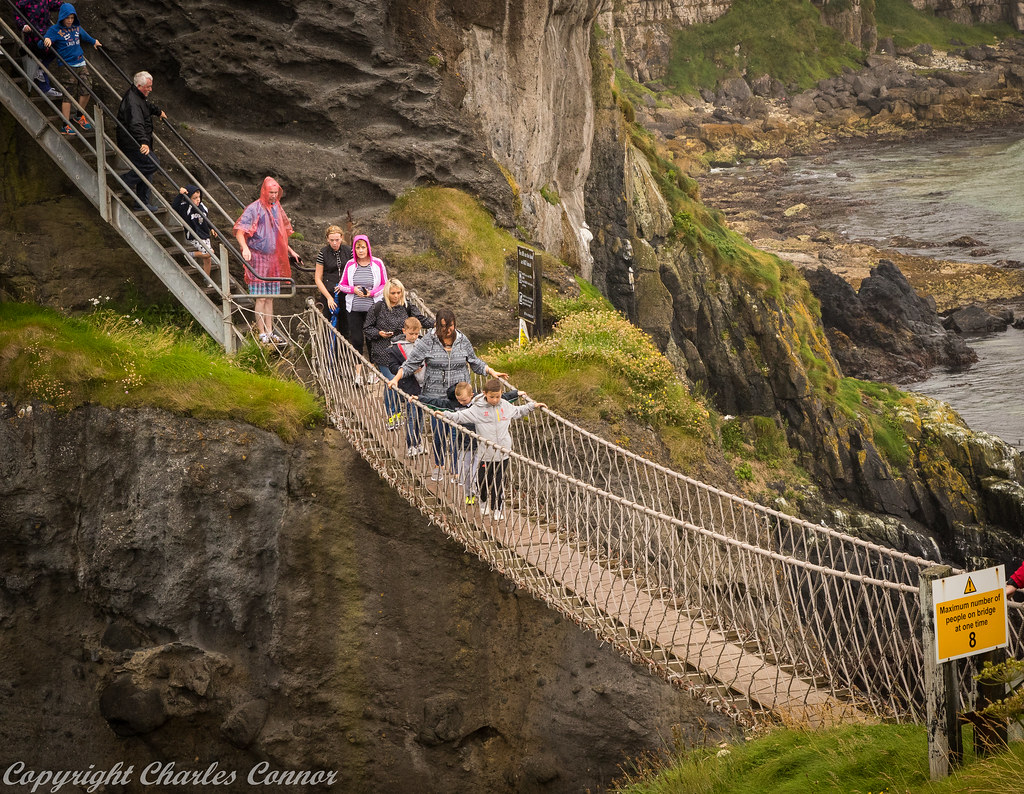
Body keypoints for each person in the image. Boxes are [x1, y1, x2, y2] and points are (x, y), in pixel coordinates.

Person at [387, 308, 507, 482]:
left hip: (460, 395)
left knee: (458, 433)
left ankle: (457, 471)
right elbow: (410, 364)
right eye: (442, 327)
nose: (446, 331)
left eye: (449, 326)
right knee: (439, 433)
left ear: (454, 324)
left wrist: (491, 371)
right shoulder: (428, 341)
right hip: (436, 396)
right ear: (436, 325)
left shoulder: (462, 340)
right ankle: (439, 465)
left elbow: (474, 361)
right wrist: (396, 379)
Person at [449, 378, 544, 520]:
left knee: (499, 482)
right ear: (484, 394)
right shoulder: (477, 409)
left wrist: (532, 405)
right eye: (492, 397)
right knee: (482, 480)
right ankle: (483, 501)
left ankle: (497, 508)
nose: (495, 400)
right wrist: (444, 415)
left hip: (503, 452)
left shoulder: (505, 405)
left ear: (501, 394)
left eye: (498, 396)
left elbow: (518, 411)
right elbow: (460, 416)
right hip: (485, 454)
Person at [233, 176, 298, 346]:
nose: (274, 196)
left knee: (270, 297)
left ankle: (270, 331)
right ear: (264, 191)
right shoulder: (254, 208)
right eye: (271, 193)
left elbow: (281, 232)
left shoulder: (276, 208)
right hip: (258, 257)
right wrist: (245, 248)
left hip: (273, 258)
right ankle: (261, 332)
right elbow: (240, 231)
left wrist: (290, 251)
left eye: (276, 193)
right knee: (261, 297)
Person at [364, 278, 432, 429]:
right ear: (387, 293)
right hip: (384, 352)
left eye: (398, 292)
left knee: (405, 383)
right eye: (392, 293)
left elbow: (420, 320)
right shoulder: (377, 308)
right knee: (392, 382)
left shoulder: (407, 306)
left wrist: (439, 324)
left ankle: (413, 415)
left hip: (404, 351)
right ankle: (393, 416)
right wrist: (379, 333)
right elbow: (367, 329)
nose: (396, 296)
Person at [39, 3, 100, 135]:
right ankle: (65, 125)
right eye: (67, 18)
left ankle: (79, 114)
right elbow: (41, 43)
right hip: (66, 65)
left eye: (72, 17)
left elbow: (85, 36)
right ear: (62, 17)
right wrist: (47, 40)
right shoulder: (55, 30)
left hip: (80, 62)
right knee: (69, 94)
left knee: (87, 88)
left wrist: (94, 41)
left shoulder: (76, 27)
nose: (70, 20)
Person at [338, 234, 386, 386]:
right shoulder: (350, 265)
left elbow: (384, 284)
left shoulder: (377, 263)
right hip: (354, 308)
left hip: (373, 308)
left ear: (368, 248)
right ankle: (358, 375)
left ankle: (372, 372)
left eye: (363, 247)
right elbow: (342, 285)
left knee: (372, 339)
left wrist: (371, 293)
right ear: (354, 249)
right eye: (357, 248)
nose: (360, 250)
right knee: (357, 339)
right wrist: (353, 290)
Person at [116, 71, 166, 211]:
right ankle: (125, 181)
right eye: (148, 87)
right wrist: (143, 142)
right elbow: (136, 123)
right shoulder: (132, 101)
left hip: (138, 140)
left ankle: (142, 203)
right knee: (151, 163)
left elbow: (146, 106)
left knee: (147, 168)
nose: (150, 89)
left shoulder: (138, 96)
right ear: (139, 86)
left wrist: (157, 111)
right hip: (132, 142)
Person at [387, 316, 427, 456]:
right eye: (411, 334)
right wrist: (408, 370)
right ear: (404, 331)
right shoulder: (396, 348)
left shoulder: (423, 344)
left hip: (424, 385)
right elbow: (392, 367)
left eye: (417, 334)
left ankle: (419, 443)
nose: (414, 337)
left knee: (421, 416)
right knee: (411, 416)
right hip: (409, 385)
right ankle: (411, 445)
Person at [14, 0, 61, 98]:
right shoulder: (23, 1)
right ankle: (44, 86)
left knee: (59, 46)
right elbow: (17, 14)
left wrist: (67, 8)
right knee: (44, 50)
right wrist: (23, 26)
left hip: (46, 32)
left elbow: (57, 5)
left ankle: (41, 75)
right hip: (33, 34)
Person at [171, 185, 218, 279]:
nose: (198, 200)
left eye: (199, 197)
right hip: (194, 236)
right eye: (195, 198)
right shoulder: (185, 207)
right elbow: (174, 207)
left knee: (208, 259)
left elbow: (205, 219)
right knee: (210, 253)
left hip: (205, 235)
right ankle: (190, 255)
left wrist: (211, 228)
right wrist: (180, 195)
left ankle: (207, 279)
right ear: (189, 198)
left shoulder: (202, 207)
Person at [313, 224, 351, 334]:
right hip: (329, 292)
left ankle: (344, 350)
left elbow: (353, 272)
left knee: (346, 326)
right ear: (327, 239)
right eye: (331, 240)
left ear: (342, 238)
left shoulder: (349, 251)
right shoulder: (323, 253)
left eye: (337, 240)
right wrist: (329, 298)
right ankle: (330, 350)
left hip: (346, 293)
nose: (334, 243)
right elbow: (318, 278)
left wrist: (345, 285)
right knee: (329, 325)